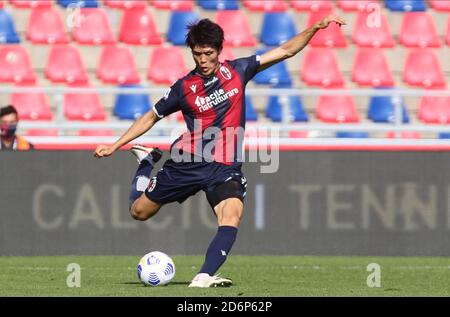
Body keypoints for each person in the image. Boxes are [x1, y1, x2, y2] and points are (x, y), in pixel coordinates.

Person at [94, 16, 346, 287]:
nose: (202, 60)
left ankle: (203, 276)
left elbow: (286, 50)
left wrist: (314, 28)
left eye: (208, 53)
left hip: (225, 167)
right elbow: (151, 116)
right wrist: (116, 144)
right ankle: (146, 161)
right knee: (139, 212)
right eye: (197, 54)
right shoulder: (183, 88)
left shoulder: (239, 70)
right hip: (187, 162)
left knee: (232, 215)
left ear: (219, 51)